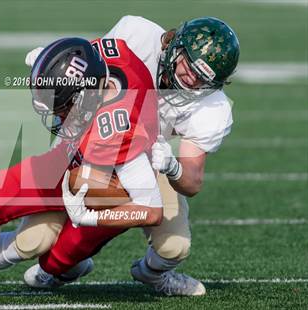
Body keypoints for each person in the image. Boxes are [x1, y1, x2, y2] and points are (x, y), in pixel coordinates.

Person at [0, 37, 163, 299]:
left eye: (62, 109)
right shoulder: (102, 58)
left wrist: (88, 217)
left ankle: (67, 268)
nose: (59, 117)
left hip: (112, 188)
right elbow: (75, 58)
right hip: (72, 158)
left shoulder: (119, 132)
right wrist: (48, 66)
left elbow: (151, 211)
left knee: (53, 262)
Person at [23, 16, 240, 296]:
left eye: (205, 79)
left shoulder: (212, 108)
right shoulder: (136, 35)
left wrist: (172, 167)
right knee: (34, 239)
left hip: (150, 165)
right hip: (92, 146)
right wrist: (49, 60)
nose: (193, 80)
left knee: (175, 247)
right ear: (177, 45)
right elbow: (86, 69)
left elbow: (193, 181)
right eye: (191, 66)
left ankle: (154, 275)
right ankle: (65, 266)